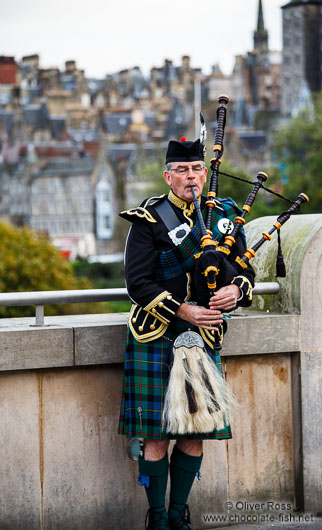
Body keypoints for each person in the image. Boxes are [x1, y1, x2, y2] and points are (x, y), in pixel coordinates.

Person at [118, 137, 255, 530]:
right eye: (182, 170)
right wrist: (182, 309)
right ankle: (157, 518)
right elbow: (137, 284)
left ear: (205, 173)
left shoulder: (227, 217)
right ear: (168, 176)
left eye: (197, 169)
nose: (191, 177)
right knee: (156, 436)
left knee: (195, 434)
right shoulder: (150, 219)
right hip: (157, 335)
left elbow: (245, 271)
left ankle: (179, 517)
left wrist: (237, 290)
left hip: (204, 338)